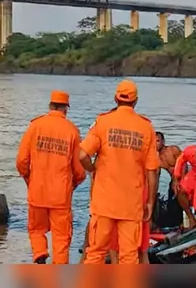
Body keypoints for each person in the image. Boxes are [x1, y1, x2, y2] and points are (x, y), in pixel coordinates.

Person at [79, 79, 160, 264]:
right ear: (136, 101)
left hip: (104, 202)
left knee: (96, 253)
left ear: (116, 99)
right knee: (129, 257)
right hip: (131, 205)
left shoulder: (103, 122)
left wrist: (93, 169)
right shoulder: (146, 127)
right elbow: (152, 171)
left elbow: (82, 155)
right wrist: (149, 203)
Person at [15, 90, 86, 264]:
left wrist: (29, 179)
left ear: (50, 105)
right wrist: (75, 183)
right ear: (66, 109)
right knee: (61, 239)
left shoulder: (35, 126)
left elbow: (21, 161)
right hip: (60, 195)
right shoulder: (72, 131)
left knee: (36, 230)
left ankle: (39, 252)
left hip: (37, 191)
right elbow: (79, 169)